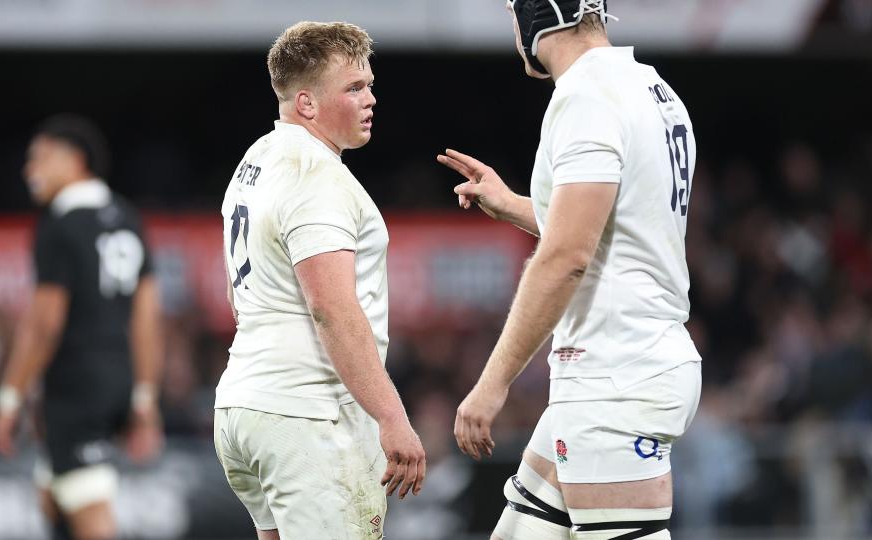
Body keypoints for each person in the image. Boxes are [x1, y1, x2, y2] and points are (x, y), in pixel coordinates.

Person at [438, 1, 702, 538]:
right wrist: (513, 204)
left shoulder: (586, 96)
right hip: (627, 363)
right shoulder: (652, 88)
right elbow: (612, 224)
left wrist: (492, 384)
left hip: (615, 374)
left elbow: (566, 257)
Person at [213, 21, 426, 540]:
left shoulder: (255, 160)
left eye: (369, 84)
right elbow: (330, 306)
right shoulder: (316, 176)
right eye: (354, 88)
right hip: (307, 415)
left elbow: (239, 298)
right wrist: (391, 416)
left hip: (243, 405)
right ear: (307, 103)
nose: (371, 99)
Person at [0, 114, 164, 540]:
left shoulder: (59, 224)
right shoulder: (127, 217)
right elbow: (146, 317)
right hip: (118, 377)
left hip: (76, 385)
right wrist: (144, 397)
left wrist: (10, 398)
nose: (28, 170)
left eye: (40, 159)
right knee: (54, 493)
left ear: (75, 160)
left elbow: (44, 324)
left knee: (91, 515)